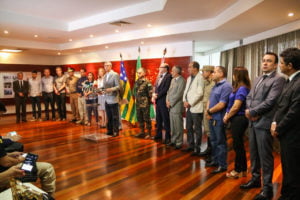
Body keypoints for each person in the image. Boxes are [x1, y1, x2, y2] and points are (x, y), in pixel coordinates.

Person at [240, 52, 285, 200]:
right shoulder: (258, 78)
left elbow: (271, 101)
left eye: (269, 61)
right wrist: (249, 111)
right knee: (253, 154)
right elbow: (249, 97)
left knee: (265, 157)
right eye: (264, 60)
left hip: (264, 122)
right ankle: (255, 179)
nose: (265, 63)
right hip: (252, 122)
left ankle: (267, 188)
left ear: (275, 64)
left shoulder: (278, 79)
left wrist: (253, 111)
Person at [271, 48, 300, 200]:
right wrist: (275, 122)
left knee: (293, 169)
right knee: (287, 167)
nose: (279, 66)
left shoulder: (299, 83)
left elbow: (294, 112)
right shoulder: (290, 81)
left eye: (281, 63)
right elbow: (281, 106)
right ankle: (286, 194)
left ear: (290, 65)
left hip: (293, 135)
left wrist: (279, 128)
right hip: (285, 133)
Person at [223, 67, 251, 178]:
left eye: (234, 74)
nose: (233, 76)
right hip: (236, 118)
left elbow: (236, 106)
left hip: (239, 119)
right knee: (237, 145)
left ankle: (239, 170)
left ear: (237, 76)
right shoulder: (239, 88)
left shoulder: (242, 89)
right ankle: (242, 170)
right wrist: (227, 114)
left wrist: (227, 116)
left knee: (238, 146)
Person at [205, 66, 232, 174]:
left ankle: (222, 165)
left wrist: (210, 111)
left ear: (221, 74)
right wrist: (208, 111)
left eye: (215, 72)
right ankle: (215, 160)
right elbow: (209, 100)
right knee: (213, 141)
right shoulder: (215, 85)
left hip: (219, 118)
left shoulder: (226, 86)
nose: (212, 74)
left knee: (220, 142)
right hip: (211, 117)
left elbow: (222, 104)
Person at [182, 62, 205, 156]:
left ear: (195, 68)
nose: (188, 68)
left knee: (197, 129)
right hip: (188, 107)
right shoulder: (188, 78)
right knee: (188, 127)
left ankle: (197, 147)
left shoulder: (200, 78)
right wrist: (184, 100)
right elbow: (186, 91)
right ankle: (190, 145)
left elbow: (199, 93)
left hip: (195, 107)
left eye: (190, 67)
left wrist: (190, 103)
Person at [166, 66, 186, 149]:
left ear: (177, 72)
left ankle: (179, 142)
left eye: (173, 71)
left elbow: (179, 94)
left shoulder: (182, 81)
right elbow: (168, 91)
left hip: (177, 106)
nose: (171, 72)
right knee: (173, 124)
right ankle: (173, 140)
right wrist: (167, 101)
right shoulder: (173, 80)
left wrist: (171, 103)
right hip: (170, 105)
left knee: (178, 125)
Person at [152, 63, 172, 144]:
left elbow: (166, 89)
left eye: (161, 67)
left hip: (164, 100)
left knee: (165, 119)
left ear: (166, 68)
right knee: (158, 119)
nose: (159, 68)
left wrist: (158, 96)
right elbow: (156, 87)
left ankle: (167, 137)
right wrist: (154, 94)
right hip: (158, 101)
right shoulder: (159, 76)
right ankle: (158, 134)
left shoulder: (169, 76)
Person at [200, 65, 215, 160]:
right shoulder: (206, 82)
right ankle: (209, 149)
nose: (202, 73)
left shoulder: (214, 83)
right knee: (207, 130)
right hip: (204, 109)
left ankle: (212, 152)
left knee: (211, 131)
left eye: (204, 71)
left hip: (211, 110)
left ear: (210, 72)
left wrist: (209, 111)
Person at [134, 68, 153, 139]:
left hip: (145, 103)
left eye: (140, 73)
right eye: (138, 73)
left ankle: (149, 133)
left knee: (146, 118)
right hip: (138, 103)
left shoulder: (147, 82)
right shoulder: (137, 82)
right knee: (139, 118)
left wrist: (148, 101)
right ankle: (142, 132)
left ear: (144, 73)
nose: (138, 74)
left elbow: (150, 94)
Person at [103, 62, 120, 137]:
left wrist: (111, 89)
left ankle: (116, 131)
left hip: (113, 98)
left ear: (110, 66)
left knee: (115, 116)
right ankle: (109, 130)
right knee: (109, 116)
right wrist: (101, 91)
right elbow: (104, 88)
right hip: (106, 99)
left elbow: (118, 86)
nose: (105, 67)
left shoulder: (115, 74)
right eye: (104, 66)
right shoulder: (105, 75)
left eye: (107, 66)